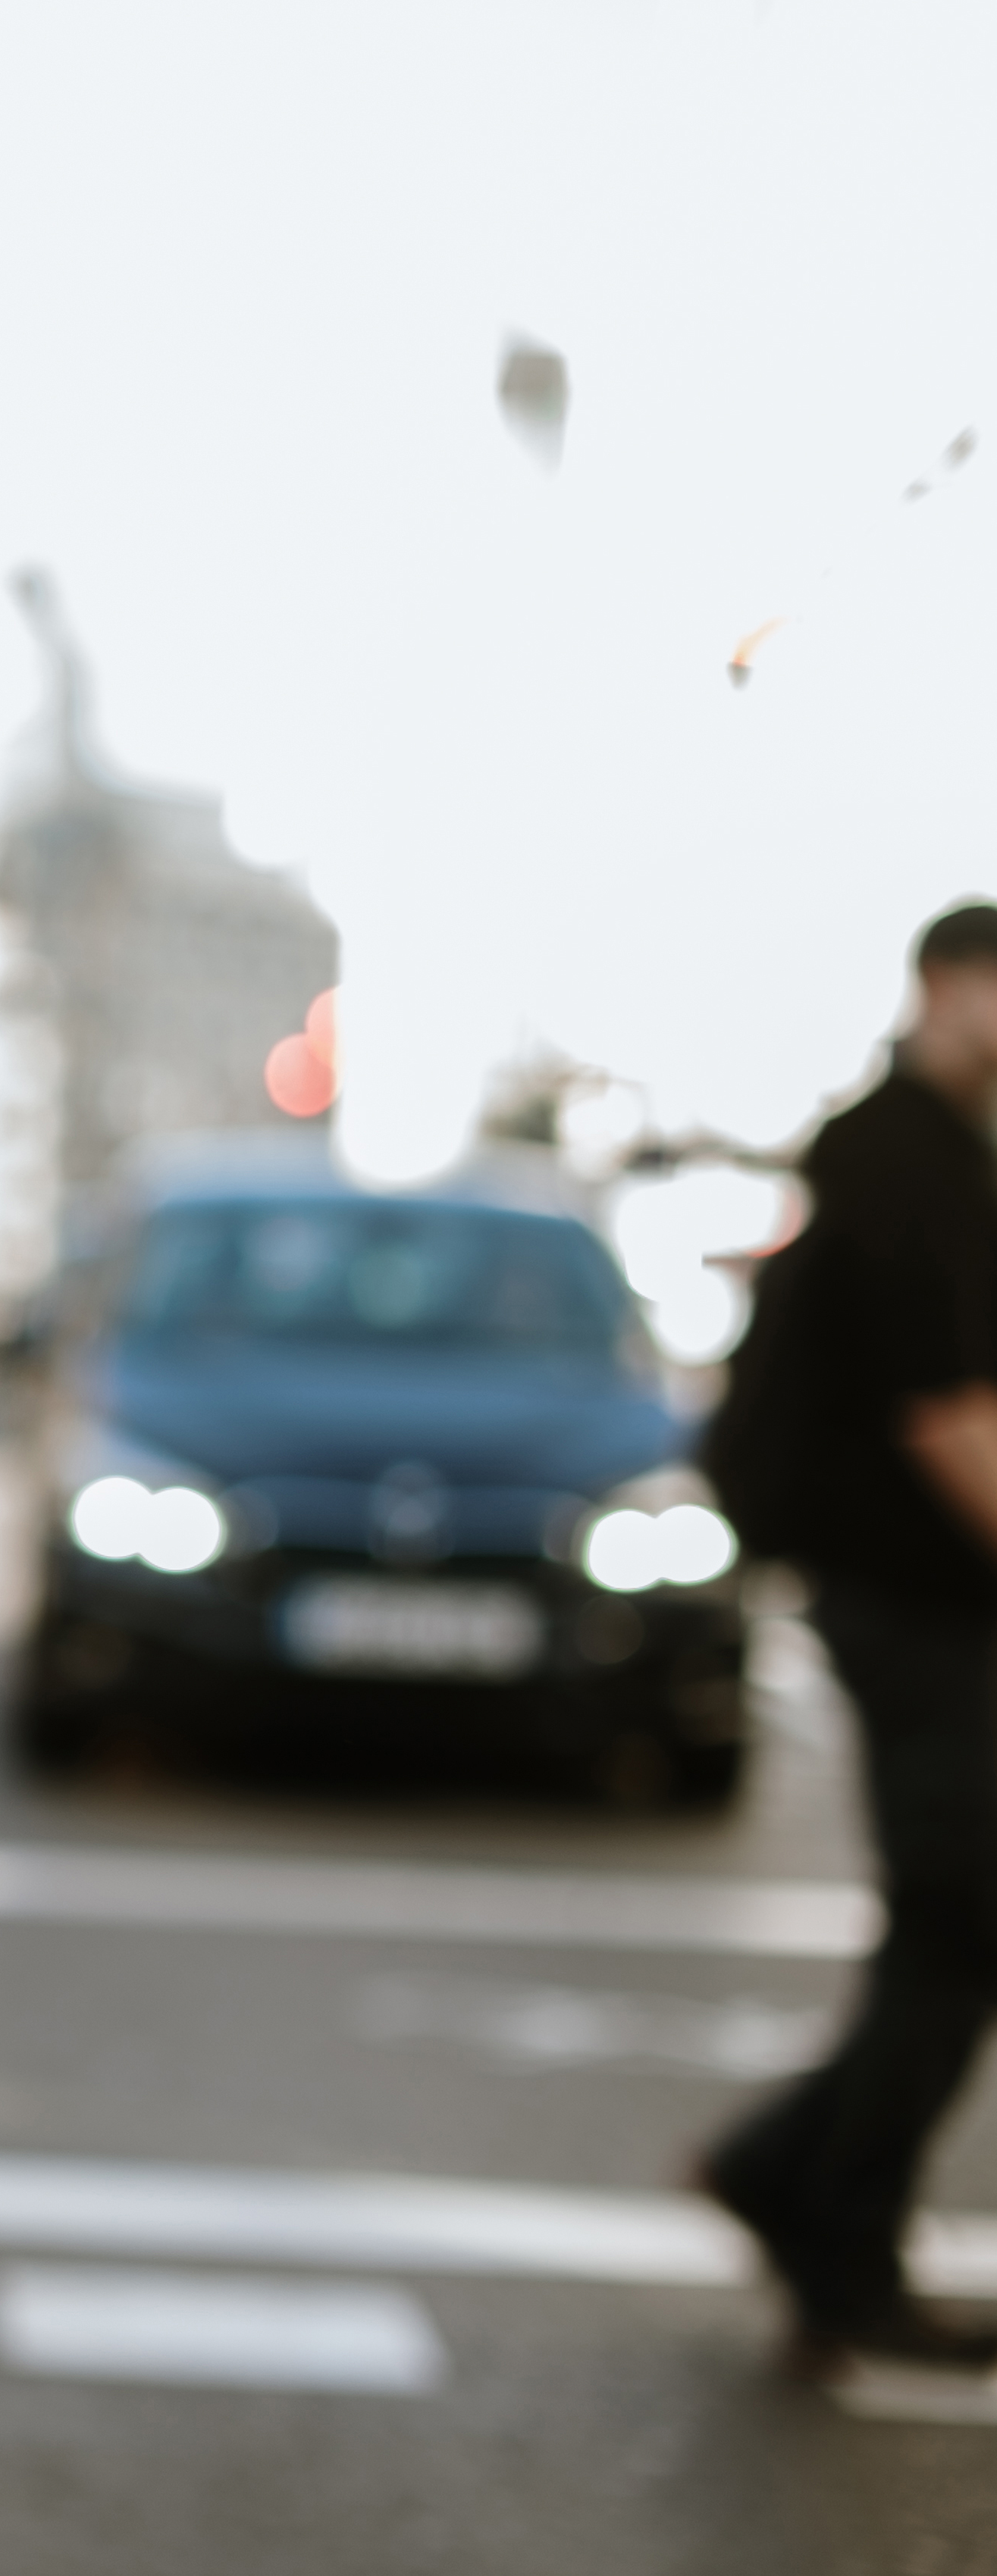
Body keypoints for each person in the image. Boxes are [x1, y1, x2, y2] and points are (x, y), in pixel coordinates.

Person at [696, 901, 997, 2375]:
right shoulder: (905, 1154)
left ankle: (800, 2192)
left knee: (949, 1927)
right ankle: (822, 2218)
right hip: (912, 1600)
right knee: (959, 1920)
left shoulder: (928, 1152)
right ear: (945, 985)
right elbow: (944, 1415)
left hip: (917, 1601)